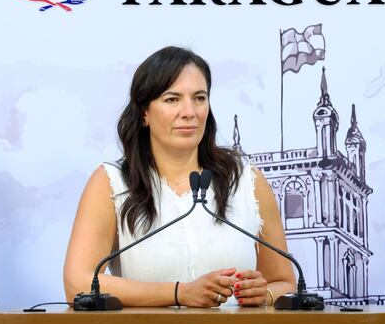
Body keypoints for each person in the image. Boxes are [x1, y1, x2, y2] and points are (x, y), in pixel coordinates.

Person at [63, 46, 295, 307]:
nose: (189, 112)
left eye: (199, 98)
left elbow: (285, 282)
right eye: (172, 99)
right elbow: (79, 284)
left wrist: (264, 294)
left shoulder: (245, 180)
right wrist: (179, 293)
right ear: (144, 114)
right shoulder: (112, 182)